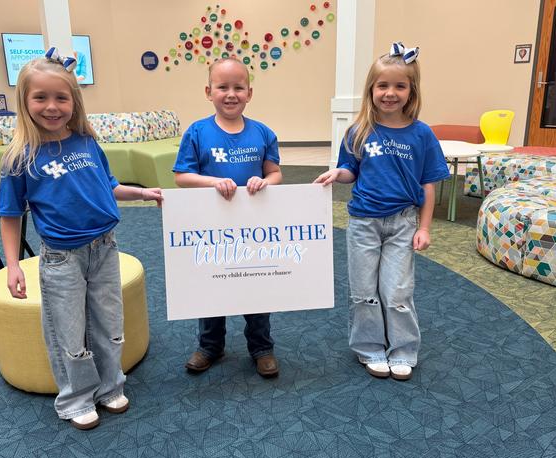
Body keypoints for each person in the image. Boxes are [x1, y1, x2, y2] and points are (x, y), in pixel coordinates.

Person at [0, 49, 163, 430]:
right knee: (68, 332)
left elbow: (109, 185)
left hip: (105, 248)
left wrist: (140, 193)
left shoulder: (87, 142)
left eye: (61, 97)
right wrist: (11, 266)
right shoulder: (19, 158)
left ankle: (110, 387)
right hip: (61, 258)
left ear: (74, 101)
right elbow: (10, 216)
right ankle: (75, 399)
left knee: (109, 324)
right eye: (40, 97)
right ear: (24, 101)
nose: (52, 107)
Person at [314, 43, 449, 381]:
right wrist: (336, 174)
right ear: (371, 90)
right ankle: (370, 347)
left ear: (411, 90)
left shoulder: (423, 134)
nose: (390, 93)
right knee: (363, 290)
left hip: (403, 223)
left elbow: (429, 185)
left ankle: (403, 350)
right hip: (363, 222)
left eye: (399, 86)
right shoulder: (359, 131)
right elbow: (351, 172)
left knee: (397, 291)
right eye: (382, 85)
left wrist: (425, 228)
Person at [173, 57, 283, 378]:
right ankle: (210, 346)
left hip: (253, 228)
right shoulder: (197, 132)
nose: (230, 94)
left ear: (250, 93)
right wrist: (213, 182)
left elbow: (275, 174)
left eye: (238, 87)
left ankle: (262, 347)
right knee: (212, 287)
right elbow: (182, 176)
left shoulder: (263, 133)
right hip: (211, 228)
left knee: (255, 285)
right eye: (223, 87)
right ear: (209, 92)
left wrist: (264, 182)